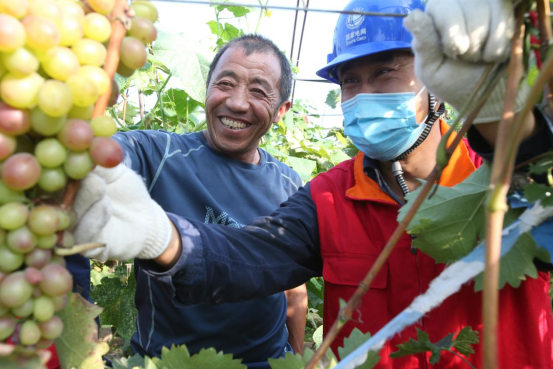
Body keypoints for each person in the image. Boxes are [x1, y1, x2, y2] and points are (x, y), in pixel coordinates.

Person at [74, 0, 553, 367]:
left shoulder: (504, 175)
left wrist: (496, 113)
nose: (364, 95)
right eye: (350, 81)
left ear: (434, 76)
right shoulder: (329, 196)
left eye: (385, 72)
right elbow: (249, 258)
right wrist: (163, 238)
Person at [76, 35, 308, 368]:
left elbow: (293, 288)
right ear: (207, 89)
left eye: (258, 91)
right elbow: (100, 156)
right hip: (168, 363)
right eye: (225, 84)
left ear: (281, 110)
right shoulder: (157, 154)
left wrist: (299, 359)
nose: (238, 103)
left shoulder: (289, 182)